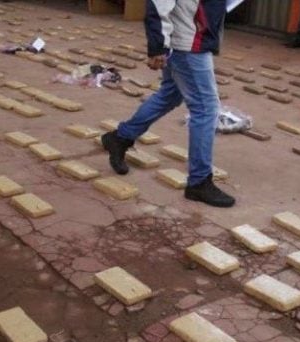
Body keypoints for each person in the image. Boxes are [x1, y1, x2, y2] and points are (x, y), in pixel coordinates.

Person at [101, 0, 235, 208]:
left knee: (170, 95)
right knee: (206, 110)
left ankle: (121, 137)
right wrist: (157, 47)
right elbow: (156, 5)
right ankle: (199, 182)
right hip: (188, 45)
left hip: (189, 40)